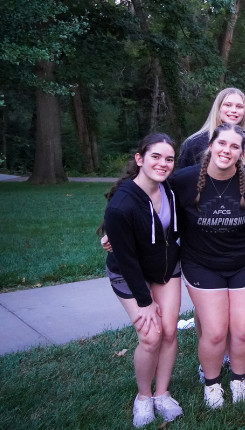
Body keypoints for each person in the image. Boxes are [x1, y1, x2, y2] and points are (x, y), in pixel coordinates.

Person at [171, 123, 245, 409]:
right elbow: (154, 204)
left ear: (241, 153)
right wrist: (113, 230)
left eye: (234, 147)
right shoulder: (183, 181)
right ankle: (212, 384)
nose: (227, 151)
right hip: (201, 262)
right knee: (214, 331)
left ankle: (239, 379)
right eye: (222, 144)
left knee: (242, 329)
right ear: (211, 145)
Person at [101, 134, 183, 427]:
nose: (163, 164)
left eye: (169, 159)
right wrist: (145, 302)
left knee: (170, 331)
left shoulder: (169, 188)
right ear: (139, 159)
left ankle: (162, 393)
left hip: (165, 269)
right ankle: (144, 397)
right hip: (129, 273)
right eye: (156, 157)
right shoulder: (122, 205)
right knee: (150, 336)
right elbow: (127, 261)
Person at [178, 87, 245, 168]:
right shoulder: (194, 143)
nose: (234, 110)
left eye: (239, 106)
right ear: (218, 108)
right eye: (228, 105)